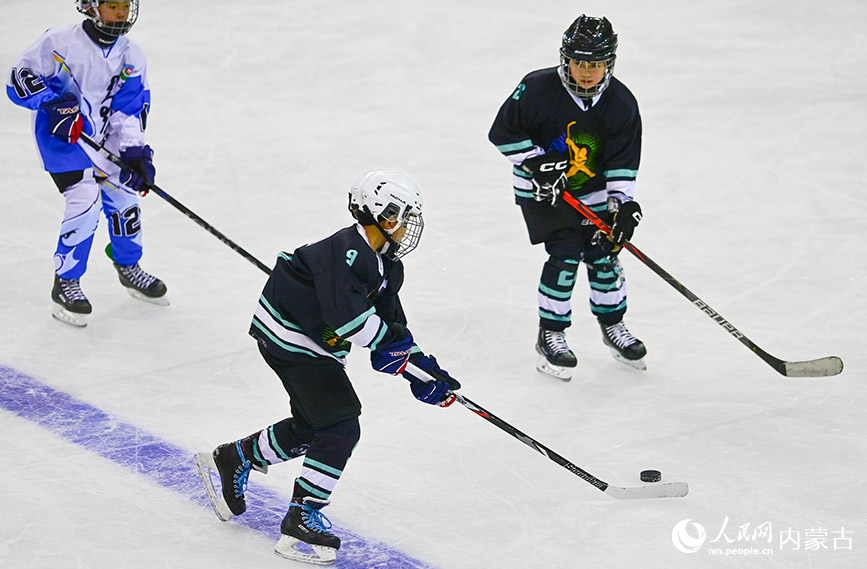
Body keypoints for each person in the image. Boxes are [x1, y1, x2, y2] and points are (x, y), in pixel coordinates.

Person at [195, 170, 461, 565]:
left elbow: (389, 332)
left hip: (312, 342)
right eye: (403, 216)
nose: (407, 227)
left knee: (313, 425)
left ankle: (236, 457)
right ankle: (302, 514)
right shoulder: (346, 250)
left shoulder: (387, 265)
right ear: (383, 215)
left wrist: (422, 371)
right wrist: (398, 353)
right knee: (340, 424)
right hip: (289, 335)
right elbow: (350, 321)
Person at [488, 14, 647, 379]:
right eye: (580, 63)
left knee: (604, 254)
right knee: (565, 254)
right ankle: (552, 333)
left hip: (592, 193)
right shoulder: (537, 88)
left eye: (596, 64)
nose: (587, 72)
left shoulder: (621, 103)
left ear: (610, 62)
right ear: (566, 59)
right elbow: (502, 132)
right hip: (544, 194)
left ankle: (613, 325)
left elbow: (623, 163)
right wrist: (536, 162)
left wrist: (621, 207)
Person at [6, 0, 167, 328]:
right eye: (112, 7)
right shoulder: (59, 42)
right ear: (90, 8)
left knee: (124, 198)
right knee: (85, 203)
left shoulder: (131, 54)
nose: (120, 14)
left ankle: (128, 266)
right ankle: (66, 282)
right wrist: (52, 103)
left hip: (105, 139)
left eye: (125, 7)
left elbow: (129, 108)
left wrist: (134, 153)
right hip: (63, 142)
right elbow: (17, 80)